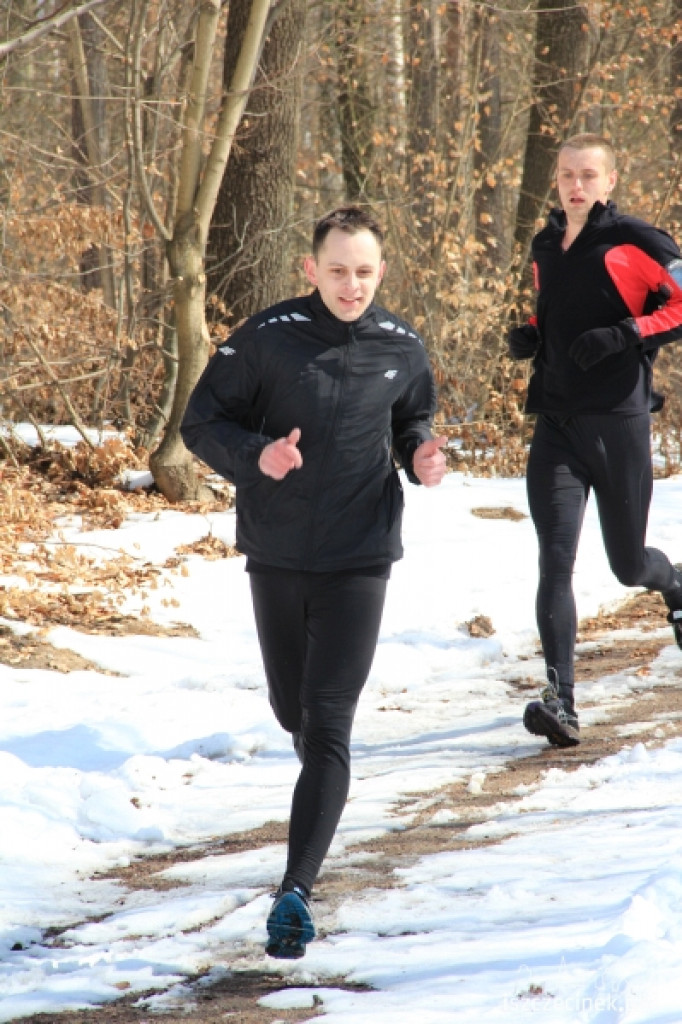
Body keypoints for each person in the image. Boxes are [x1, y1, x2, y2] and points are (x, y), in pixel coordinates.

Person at [181, 206, 447, 958]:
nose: (351, 284)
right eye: (337, 270)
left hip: (361, 554)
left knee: (328, 723)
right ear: (311, 270)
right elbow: (201, 423)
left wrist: (421, 453)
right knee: (291, 710)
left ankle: (295, 892)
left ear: (381, 273)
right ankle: (318, 792)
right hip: (278, 549)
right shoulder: (266, 340)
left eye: (364, 271)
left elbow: (413, 418)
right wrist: (258, 455)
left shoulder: (402, 345)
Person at [508, 133, 682, 749]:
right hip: (555, 424)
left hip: (618, 424)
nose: (575, 186)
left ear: (610, 181)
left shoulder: (638, 241)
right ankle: (562, 700)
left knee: (628, 565)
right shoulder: (545, 246)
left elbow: (680, 305)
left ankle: (676, 586)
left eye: (588, 176)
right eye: (564, 175)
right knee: (554, 560)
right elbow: (552, 309)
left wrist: (628, 334)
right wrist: (530, 334)